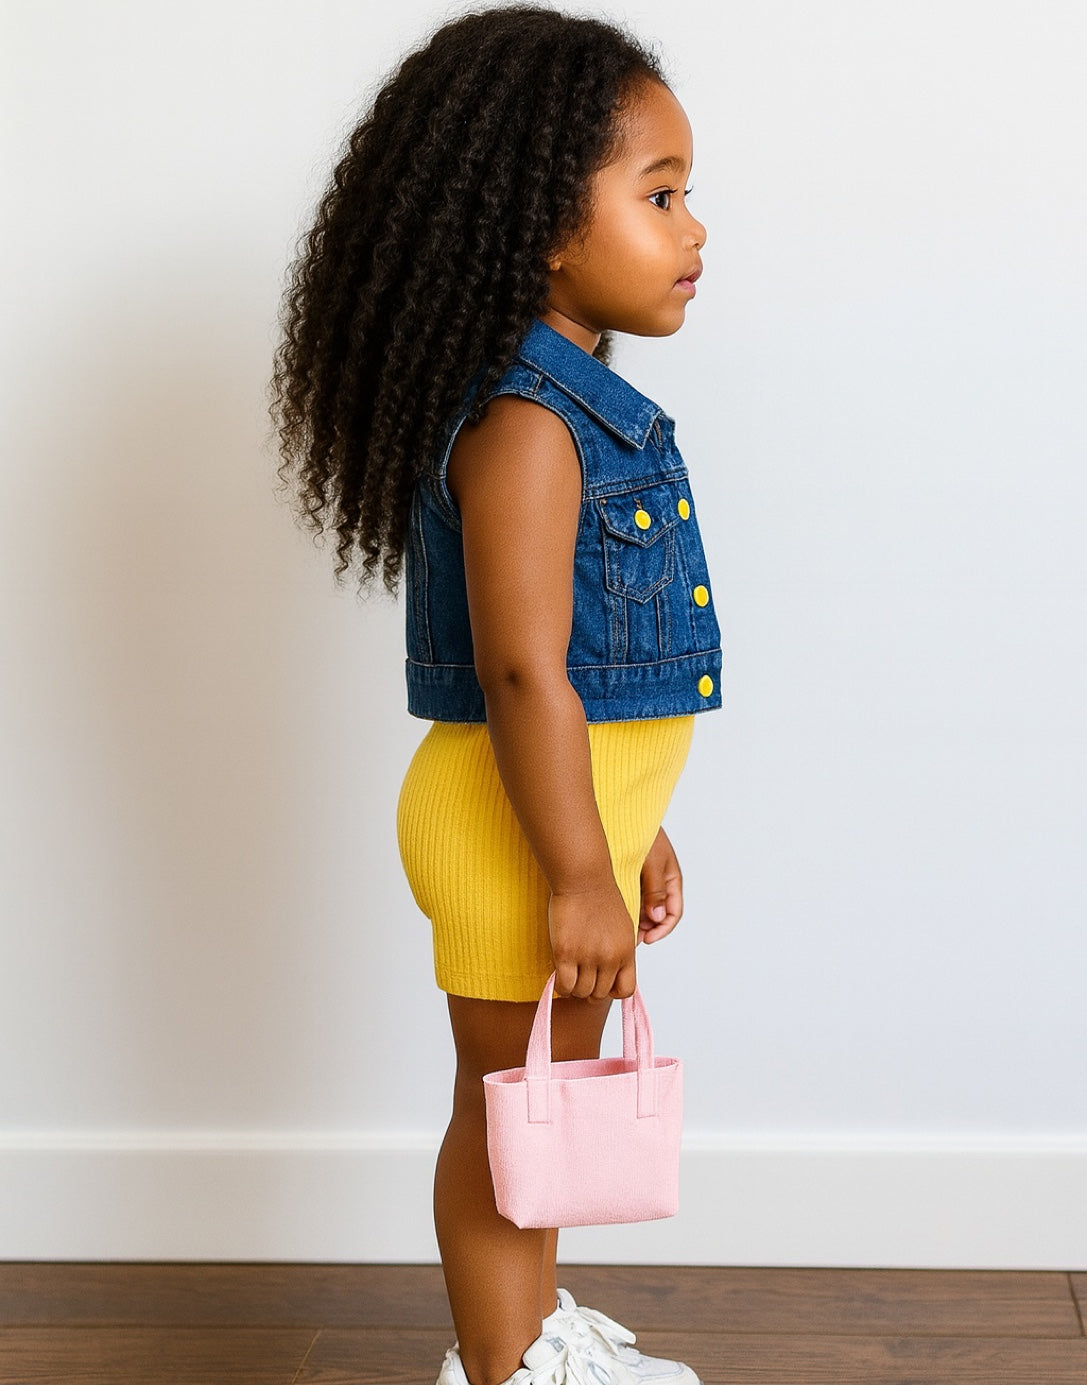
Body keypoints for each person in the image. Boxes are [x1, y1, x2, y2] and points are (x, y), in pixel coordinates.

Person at [270, 7, 721, 1383]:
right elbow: (524, 671)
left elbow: (593, 674)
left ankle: (527, 1336)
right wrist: (577, 864)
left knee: (540, 1112)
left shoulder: (574, 405)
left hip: (558, 824)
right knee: (503, 1116)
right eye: (658, 195)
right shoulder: (529, 427)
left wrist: (628, 824)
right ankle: (504, 1362)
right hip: (513, 834)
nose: (694, 227)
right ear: (542, 226)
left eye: (687, 192)